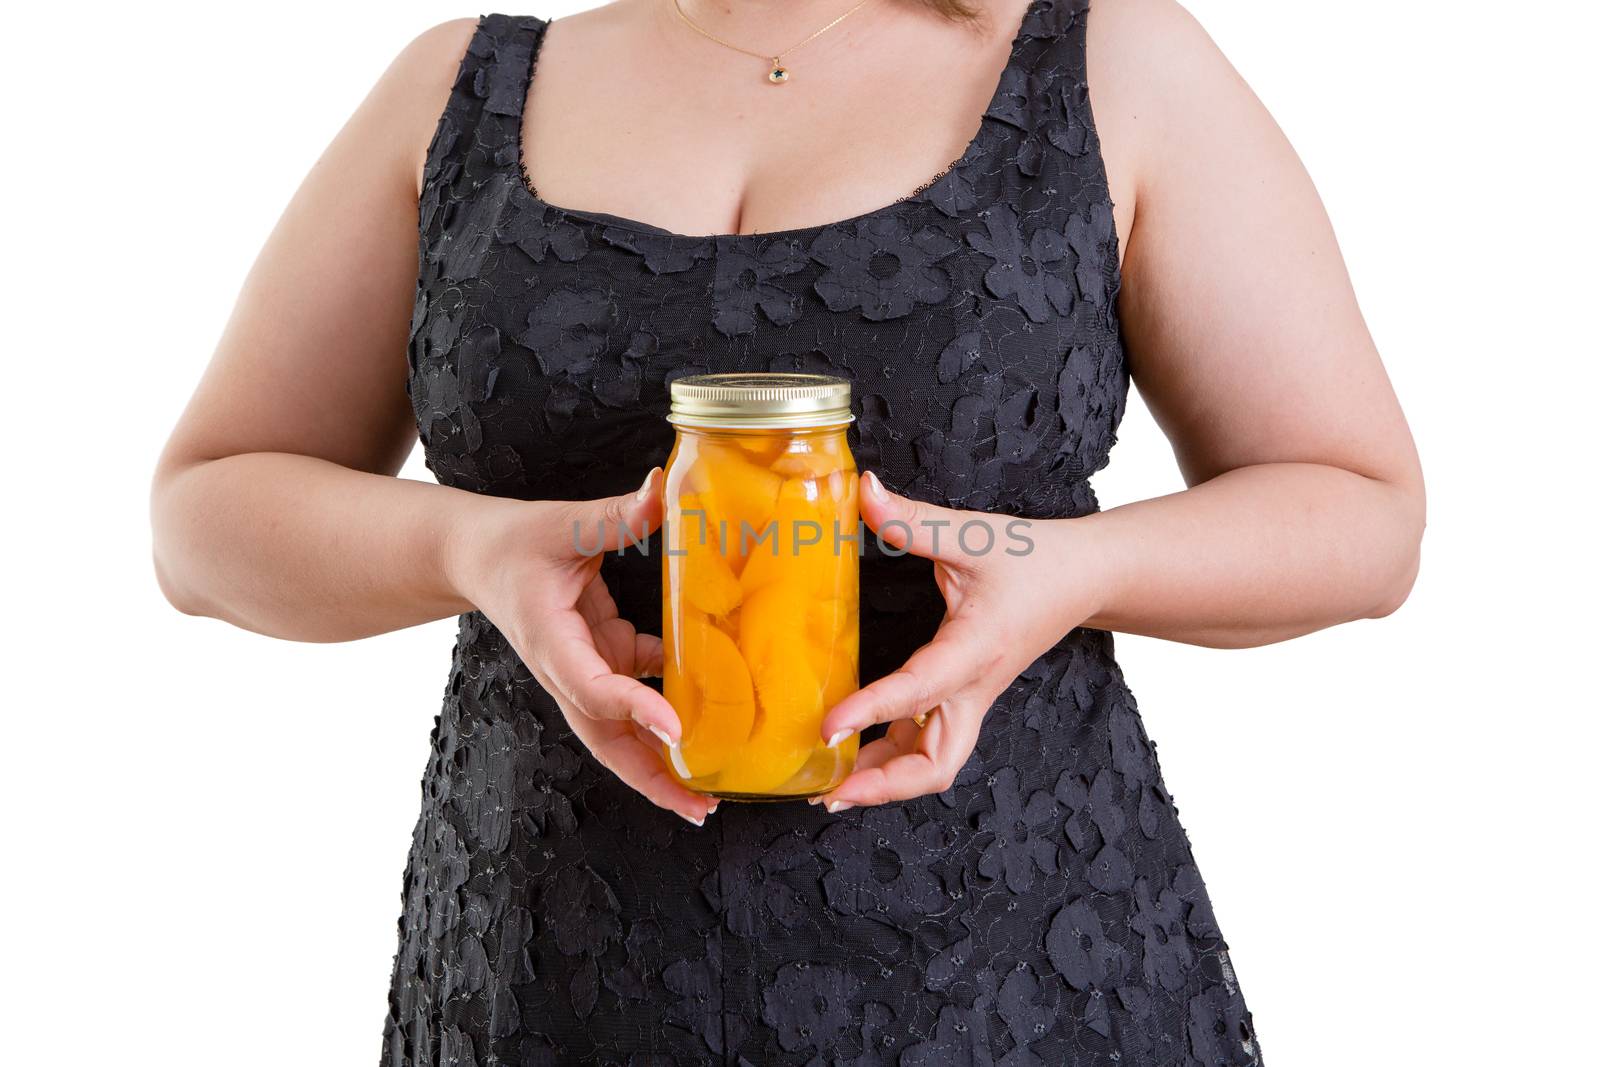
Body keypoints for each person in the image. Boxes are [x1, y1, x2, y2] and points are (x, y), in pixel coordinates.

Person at [150, 0, 1424, 1061]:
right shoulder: (459, 85)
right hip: (545, 976)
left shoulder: (1112, 59)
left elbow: (1362, 515)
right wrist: (464, 548)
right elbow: (202, 516)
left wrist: (1072, 567)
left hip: (1012, 974)